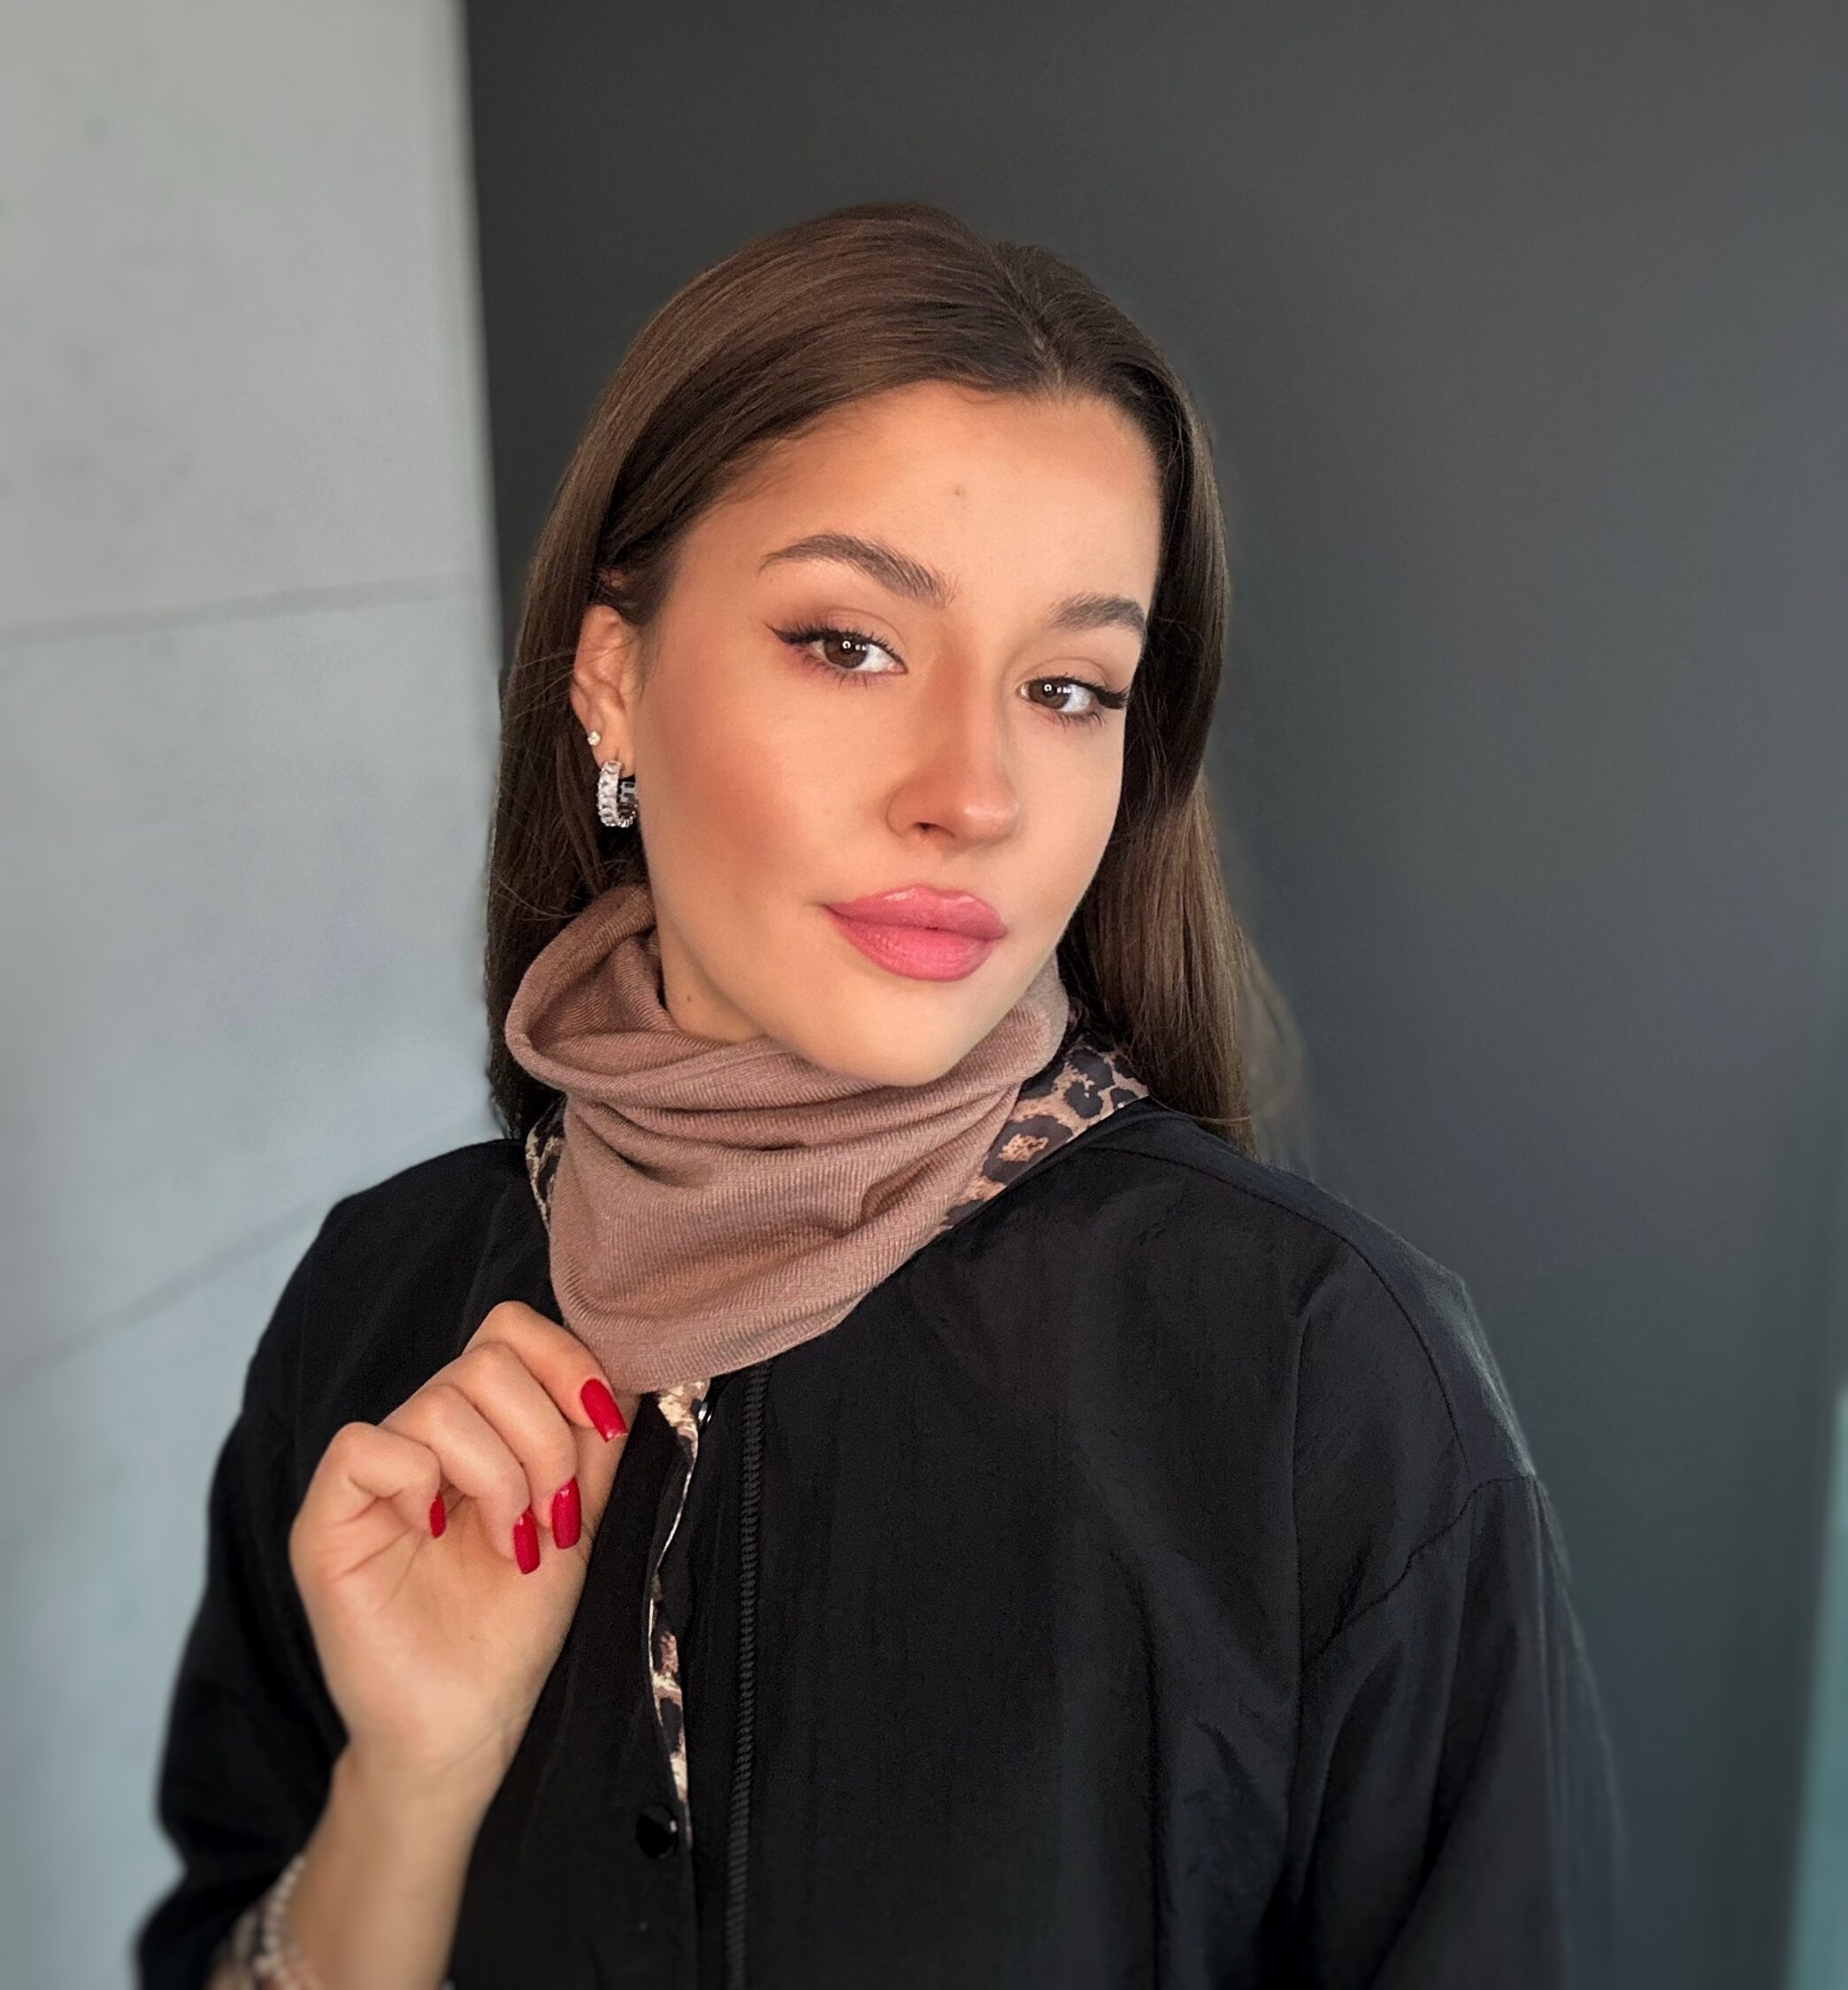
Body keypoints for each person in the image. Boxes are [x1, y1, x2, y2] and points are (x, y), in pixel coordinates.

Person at [134, 201, 1622, 1990]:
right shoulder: (375, 1310)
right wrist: (412, 1786)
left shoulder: (1318, 1377)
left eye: (1066, 686)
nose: (970, 791)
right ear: (613, 681)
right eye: (848, 643)